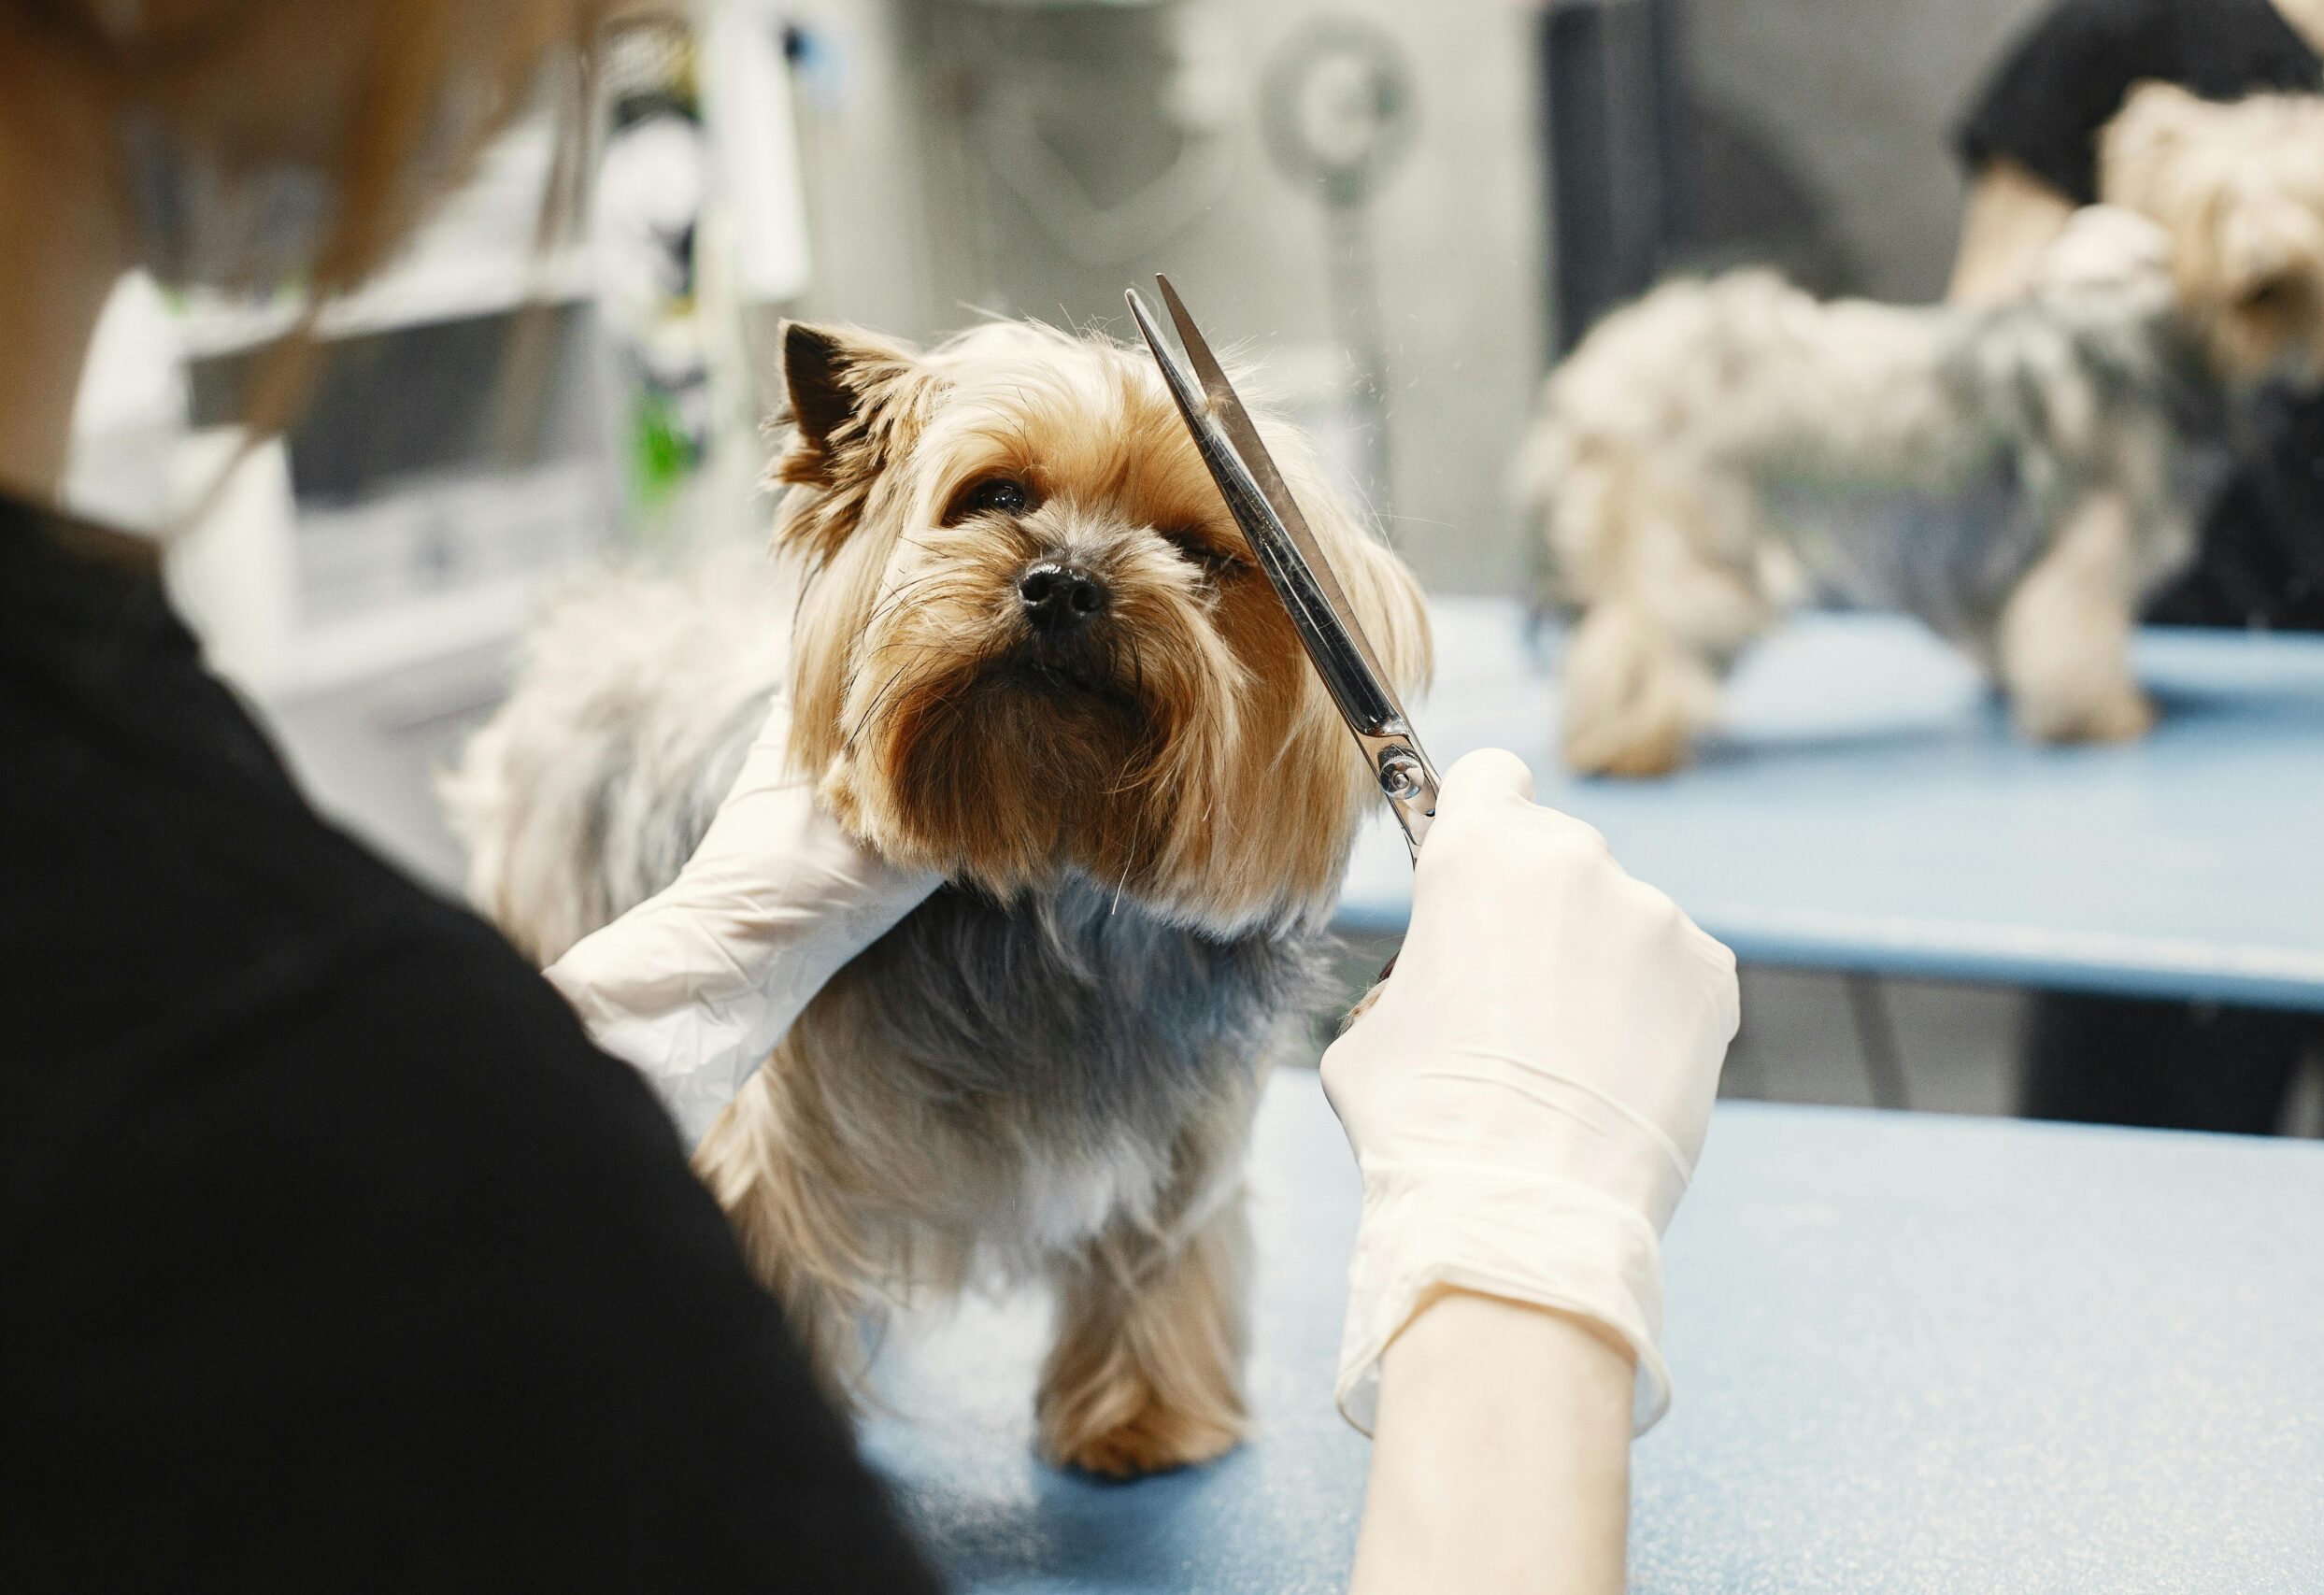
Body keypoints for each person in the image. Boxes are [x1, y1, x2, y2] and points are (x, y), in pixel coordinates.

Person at [0, 4, 1739, 1590]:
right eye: (999, 503)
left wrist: (564, 1075)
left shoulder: (198, 963)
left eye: (1196, 555)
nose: (1069, 571)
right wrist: (1526, 1259)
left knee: (1168, 1190)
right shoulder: (287, 1088)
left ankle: (1138, 1364)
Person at [1945, 0, 2324, 1135]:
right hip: (2171, 706)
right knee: (2150, 1177)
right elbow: (1973, 360)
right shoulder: (2114, 37)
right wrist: (2058, 300)